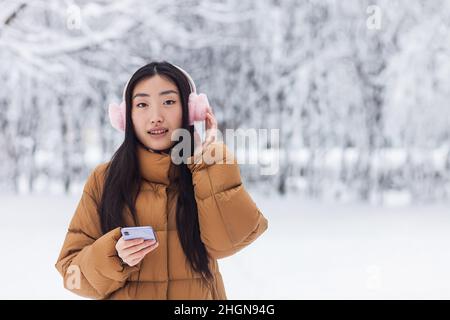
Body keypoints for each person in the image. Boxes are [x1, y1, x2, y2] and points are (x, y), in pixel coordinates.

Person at [55, 61, 268, 299]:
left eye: (168, 102)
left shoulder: (205, 172)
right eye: (142, 104)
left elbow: (228, 242)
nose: (156, 117)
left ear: (191, 111)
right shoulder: (104, 180)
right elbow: (71, 274)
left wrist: (208, 161)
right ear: (127, 117)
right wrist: (113, 256)